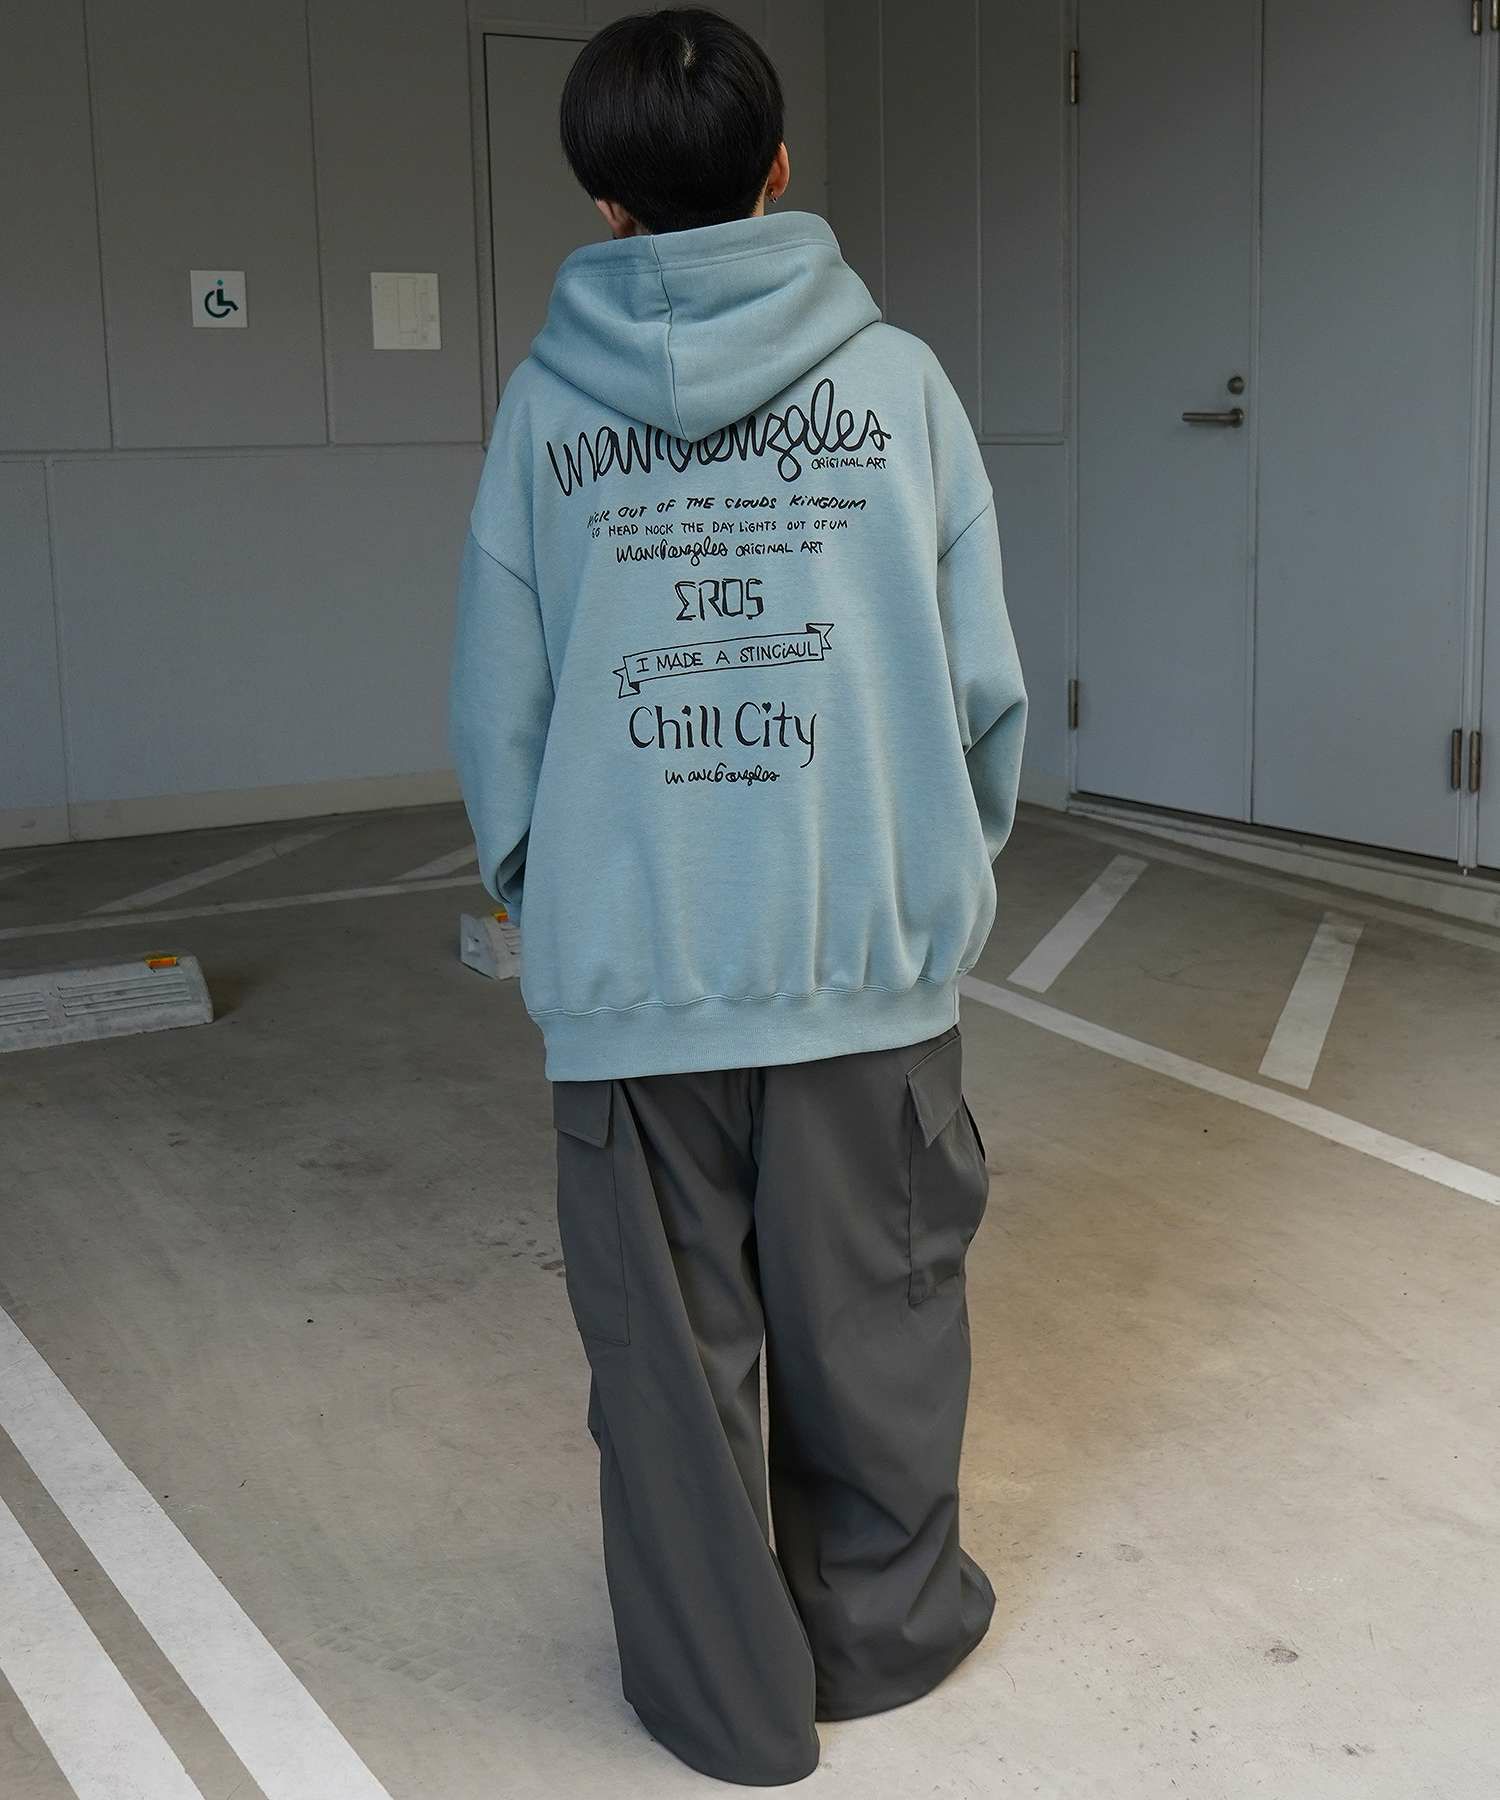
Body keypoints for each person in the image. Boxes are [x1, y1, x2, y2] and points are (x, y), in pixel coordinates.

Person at [449, 7, 1027, 1785]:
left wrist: (558, 901)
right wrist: (934, 876)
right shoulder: (901, 385)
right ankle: (879, 1638)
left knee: (668, 1369)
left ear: (605, 204)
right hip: (864, 960)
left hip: (635, 977)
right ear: (781, 170)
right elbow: (982, 687)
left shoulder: (543, 411)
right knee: (881, 1315)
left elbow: (500, 707)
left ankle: (721, 1702)